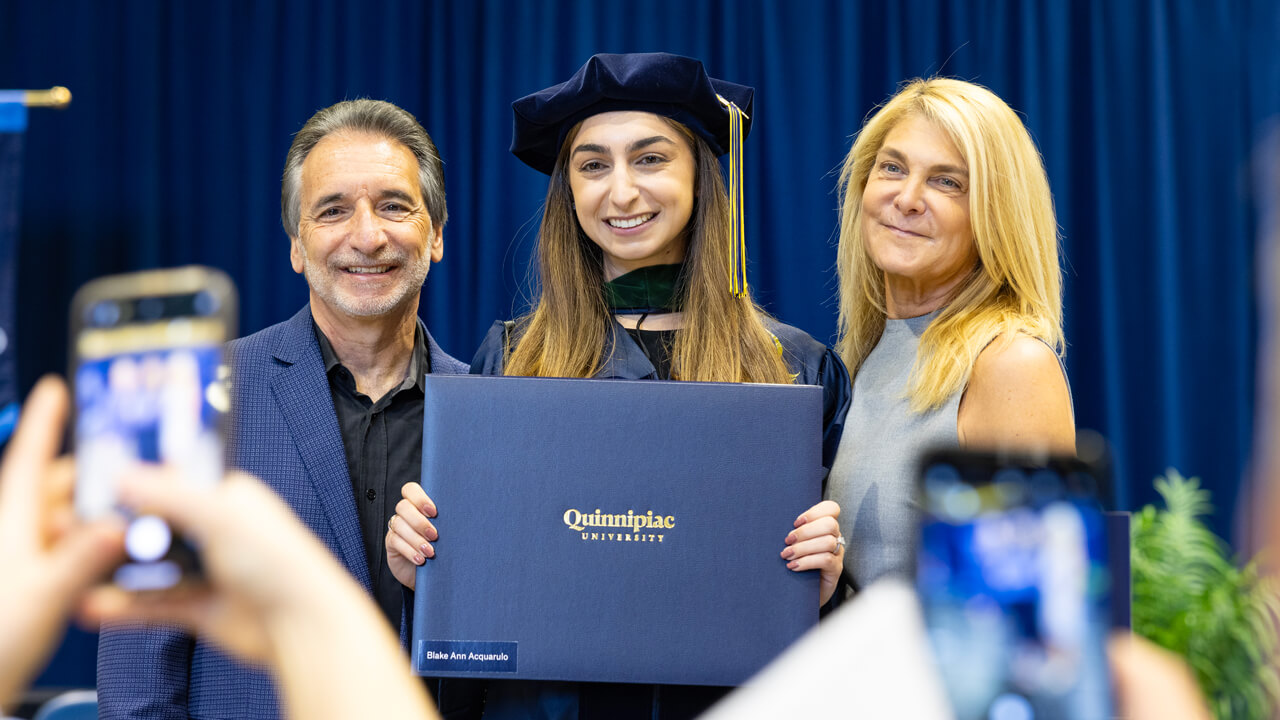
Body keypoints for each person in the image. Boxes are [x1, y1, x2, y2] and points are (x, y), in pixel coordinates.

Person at [385, 52, 851, 720]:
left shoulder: (789, 366)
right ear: (568, 189)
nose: (622, 192)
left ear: (701, 175)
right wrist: (428, 570)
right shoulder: (515, 355)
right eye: (593, 165)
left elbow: (824, 645)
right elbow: (479, 608)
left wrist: (825, 585)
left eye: (651, 159)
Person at [96, 100, 483, 719]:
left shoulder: (488, 418)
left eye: (393, 205)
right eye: (333, 210)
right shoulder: (196, 395)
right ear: (297, 245)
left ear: (435, 234)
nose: (367, 235)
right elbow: (139, 673)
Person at [0, 376, 440, 720]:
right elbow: (137, 692)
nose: (364, 252)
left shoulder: (472, 400)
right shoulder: (207, 387)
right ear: (295, 254)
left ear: (437, 251)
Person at [827, 78, 1076, 592]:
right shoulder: (860, 359)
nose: (907, 198)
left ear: (994, 216)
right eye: (892, 168)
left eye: (948, 182)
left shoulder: (1011, 365)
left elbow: (1033, 608)